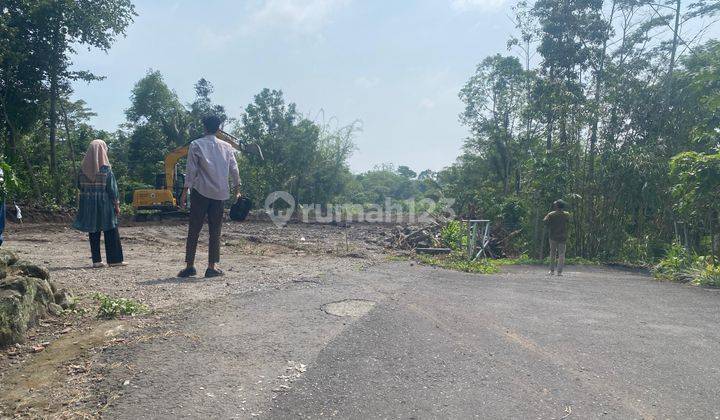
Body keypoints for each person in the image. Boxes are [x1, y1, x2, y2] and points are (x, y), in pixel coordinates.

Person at [177, 115, 240, 278]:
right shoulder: (227, 147)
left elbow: (191, 172)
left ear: (204, 128)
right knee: (215, 231)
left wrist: (184, 193)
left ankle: (190, 266)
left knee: (194, 230)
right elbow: (234, 169)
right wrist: (237, 189)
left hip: (201, 192)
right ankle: (212, 267)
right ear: (218, 129)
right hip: (220, 193)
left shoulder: (196, 144)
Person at [73, 140, 126, 268]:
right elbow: (112, 190)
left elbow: (79, 186)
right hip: (104, 203)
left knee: (93, 230)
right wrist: (116, 205)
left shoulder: (82, 170)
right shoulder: (106, 170)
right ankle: (115, 260)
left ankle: (97, 261)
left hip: (88, 204)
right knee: (111, 229)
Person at [544, 199, 569, 276]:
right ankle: (559, 272)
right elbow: (568, 221)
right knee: (561, 254)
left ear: (557, 206)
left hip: (553, 236)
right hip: (563, 237)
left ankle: (551, 271)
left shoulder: (551, 214)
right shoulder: (566, 214)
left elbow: (545, 221)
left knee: (552, 253)